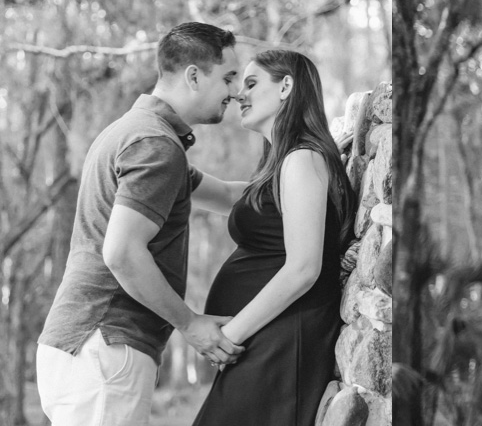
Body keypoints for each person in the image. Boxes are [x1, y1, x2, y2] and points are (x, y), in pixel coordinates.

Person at [37, 22, 244, 426]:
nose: (235, 92)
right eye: (229, 78)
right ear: (194, 75)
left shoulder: (136, 133)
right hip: (105, 347)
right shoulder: (156, 145)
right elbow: (122, 253)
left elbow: (229, 197)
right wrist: (190, 324)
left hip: (87, 349)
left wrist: (317, 160)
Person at [190, 49, 356, 426]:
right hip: (266, 339)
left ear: (286, 87)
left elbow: (303, 269)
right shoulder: (281, 165)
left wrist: (230, 334)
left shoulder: (301, 160)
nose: (238, 95)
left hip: (284, 340)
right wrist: (164, 158)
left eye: (251, 83)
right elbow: (235, 196)